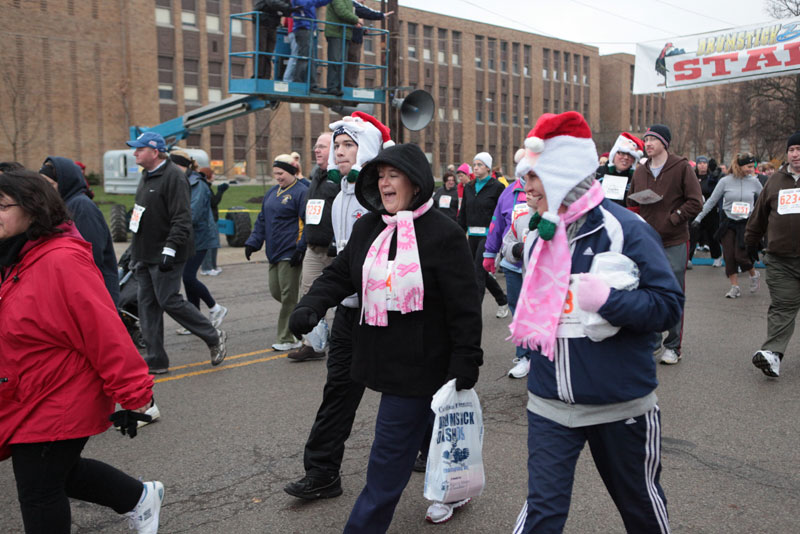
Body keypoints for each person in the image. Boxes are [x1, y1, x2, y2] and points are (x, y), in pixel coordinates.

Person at [288, 142, 483, 533]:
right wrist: (311, 305)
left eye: (393, 175)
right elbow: (341, 274)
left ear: (414, 183)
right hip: (378, 354)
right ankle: (452, 483)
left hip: (422, 363)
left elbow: (465, 304)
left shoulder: (443, 233)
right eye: (380, 177)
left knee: (387, 460)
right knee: (431, 426)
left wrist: (467, 358)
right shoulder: (369, 226)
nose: (384, 184)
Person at [508, 112, 682, 534]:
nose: (526, 188)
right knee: (542, 514)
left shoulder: (626, 229)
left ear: (563, 173)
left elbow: (668, 305)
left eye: (534, 177)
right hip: (550, 404)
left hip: (619, 405)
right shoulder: (539, 237)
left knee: (641, 509)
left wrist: (611, 302)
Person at [0, 170, 164, 534]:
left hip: (58, 394)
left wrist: (135, 394)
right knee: (62, 472)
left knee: (39, 489)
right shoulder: (14, 256)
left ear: (33, 207)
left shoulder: (60, 260)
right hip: (25, 389)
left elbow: (104, 332)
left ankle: (140, 497)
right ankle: (139, 496)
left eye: (1, 205)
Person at [284, 112, 391, 501]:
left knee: (407, 394)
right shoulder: (339, 193)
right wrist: (317, 303)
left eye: (348, 145)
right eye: (338, 145)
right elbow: (343, 262)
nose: (339, 152)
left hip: (389, 315)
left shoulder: (382, 195)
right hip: (350, 312)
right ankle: (323, 472)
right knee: (338, 393)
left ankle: (427, 448)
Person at [127, 132, 227, 374]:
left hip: (166, 253)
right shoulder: (147, 176)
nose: (134, 153)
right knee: (147, 306)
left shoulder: (174, 177)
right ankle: (156, 359)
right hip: (144, 252)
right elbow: (140, 214)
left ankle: (213, 335)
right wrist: (133, 250)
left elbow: (182, 218)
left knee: (169, 300)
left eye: (139, 149)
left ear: (154, 152)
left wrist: (170, 248)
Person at [627, 124, 702, 365]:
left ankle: (673, 345)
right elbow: (632, 202)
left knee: (672, 292)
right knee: (649, 291)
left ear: (664, 143)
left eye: (652, 139)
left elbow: (695, 202)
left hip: (675, 240)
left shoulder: (681, 167)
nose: (647, 143)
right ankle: (653, 341)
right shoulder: (640, 171)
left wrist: (674, 218)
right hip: (647, 241)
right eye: (645, 139)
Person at [745, 132, 800, 378]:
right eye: (792, 150)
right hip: (781, 260)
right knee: (782, 307)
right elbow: (759, 216)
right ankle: (772, 355)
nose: (795, 154)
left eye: (799, 149)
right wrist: (750, 242)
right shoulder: (774, 181)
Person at [244, 154, 308, 351]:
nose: (278, 177)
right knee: (277, 291)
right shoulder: (272, 192)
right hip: (273, 252)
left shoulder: (302, 192)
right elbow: (262, 220)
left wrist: (301, 247)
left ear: (290, 171)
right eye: (275, 174)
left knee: (288, 296)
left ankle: (287, 338)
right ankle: (305, 317)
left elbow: (307, 222)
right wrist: (253, 243)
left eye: (281, 173)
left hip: (291, 251)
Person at [40, 156, 120, 305]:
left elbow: (91, 254)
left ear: (64, 183)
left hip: (95, 293)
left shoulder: (82, 206)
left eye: (49, 184)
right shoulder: (62, 205)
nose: (45, 190)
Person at [482, 149, 534, 378]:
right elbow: (497, 225)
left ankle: (542, 355)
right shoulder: (508, 193)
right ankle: (523, 356)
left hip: (539, 268)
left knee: (540, 311)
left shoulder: (546, 188)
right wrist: (489, 253)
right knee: (519, 311)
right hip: (513, 265)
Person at [288, 132, 337, 362]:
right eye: (316, 146)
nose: (316, 150)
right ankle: (313, 345)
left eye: (322, 146)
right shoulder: (316, 175)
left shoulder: (341, 177)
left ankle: (347, 342)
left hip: (335, 250)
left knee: (344, 299)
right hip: (313, 247)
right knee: (309, 295)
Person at [170, 152, 228, 332]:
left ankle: (215, 308)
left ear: (182, 166)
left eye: (173, 166)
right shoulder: (182, 181)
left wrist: (170, 223)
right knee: (188, 279)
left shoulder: (198, 185)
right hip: (188, 237)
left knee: (187, 276)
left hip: (200, 237)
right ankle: (194, 321)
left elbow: (192, 215)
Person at [692, 153, 762, 298]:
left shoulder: (754, 182)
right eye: (749, 166)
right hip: (728, 223)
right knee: (729, 256)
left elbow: (764, 201)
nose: (752, 169)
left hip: (745, 224)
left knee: (741, 256)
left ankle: (754, 274)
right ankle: (734, 287)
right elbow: (711, 201)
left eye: (753, 166)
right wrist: (698, 218)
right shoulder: (725, 181)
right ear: (740, 166)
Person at [458, 151, 509, 317]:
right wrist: (459, 233)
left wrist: (501, 235)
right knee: (479, 271)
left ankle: (473, 314)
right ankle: (502, 300)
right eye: (474, 165)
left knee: (477, 272)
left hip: (489, 235)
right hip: (472, 235)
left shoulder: (497, 187)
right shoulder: (469, 187)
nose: (476, 168)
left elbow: (502, 213)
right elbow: (463, 212)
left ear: (488, 167)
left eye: (480, 165)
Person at [345, 1, 392, 87]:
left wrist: (362, 30)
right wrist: (382, 15)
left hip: (354, 38)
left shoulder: (352, 6)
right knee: (352, 63)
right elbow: (366, 11)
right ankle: (350, 85)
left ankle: (350, 84)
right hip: (353, 39)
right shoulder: (353, 4)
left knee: (353, 64)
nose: (363, 1)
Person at [320, 0, 360, 96]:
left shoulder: (349, 1)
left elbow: (347, 13)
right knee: (335, 60)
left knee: (342, 62)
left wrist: (355, 21)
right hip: (336, 33)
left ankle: (338, 86)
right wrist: (356, 20)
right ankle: (332, 86)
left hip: (345, 34)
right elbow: (341, 11)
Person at [688, 155, 723, 268]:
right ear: (697, 165)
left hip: (710, 211)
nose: (702, 165)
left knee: (712, 235)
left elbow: (715, 191)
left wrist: (715, 175)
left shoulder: (711, 177)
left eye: (704, 163)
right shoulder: (692, 177)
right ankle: (688, 258)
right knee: (692, 234)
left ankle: (717, 257)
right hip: (695, 210)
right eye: (700, 163)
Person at [595, 132, 643, 207]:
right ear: (613, 154)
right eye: (622, 153)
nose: (626, 158)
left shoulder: (636, 179)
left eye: (630, 155)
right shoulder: (597, 173)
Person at [290, 0, 331, 87]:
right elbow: (304, 4)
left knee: (311, 58)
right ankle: (298, 81)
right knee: (304, 56)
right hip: (303, 27)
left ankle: (313, 84)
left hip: (309, 28)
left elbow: (319, 2)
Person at [199, 166, 229, 276]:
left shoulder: (207, 187)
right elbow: (213, 202)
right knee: (209, 244)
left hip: (213, 219)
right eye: (213, 174)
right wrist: (220, 192)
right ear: (208, 175)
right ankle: (206, 268)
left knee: (214, 243)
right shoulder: (204, 187)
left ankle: (213, 266)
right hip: (208, 221)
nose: (214, 176)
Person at [254, 0, 294, 79]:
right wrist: (289, 7)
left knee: (269, 52)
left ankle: (266, 75)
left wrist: (289, 8)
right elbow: (272, 3)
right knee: (261, 49)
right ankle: (258, 75)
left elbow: (285, 9)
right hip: (262, 22)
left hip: (273, 24)